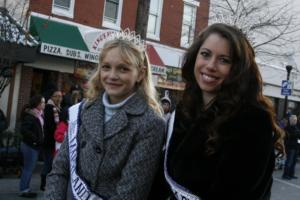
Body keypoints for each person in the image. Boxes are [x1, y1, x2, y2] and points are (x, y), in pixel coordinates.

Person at [153, 23, 285, 200]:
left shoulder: (252, 121)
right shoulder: (185, 110)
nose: (210, 66)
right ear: (195, 56)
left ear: (238, 69)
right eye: (205, 54)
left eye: (224, 60)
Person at [45, 30, 166, 199]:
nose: (112, 76)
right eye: (106, 67)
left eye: (123, 69)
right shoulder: (83, 110)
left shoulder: (150, 123)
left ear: (140, 74)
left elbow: (130, 193)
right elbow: (59, 170)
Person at [19, 95, 45, 198]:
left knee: (29, 168)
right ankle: (24, 190)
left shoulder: (39, 114)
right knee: (28, 168)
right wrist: (36, 140)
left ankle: (26, 189)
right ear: (37, 104)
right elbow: (24, 130)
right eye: (42, 102)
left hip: (34, 146)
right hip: (30, 145)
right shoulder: (31, 115)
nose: (44, 104)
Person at [40, 89, 62, 191]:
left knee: (50, 162)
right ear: (51, 97)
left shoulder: (57, 108)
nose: (58, 98)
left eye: (60, 96)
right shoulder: (49, 108)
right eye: (56, 96)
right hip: (49, 141)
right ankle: (43, 184)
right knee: (48, 163)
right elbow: (50, 125)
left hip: (53, 140)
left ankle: (46, 183)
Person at [282, 114, 300, 180]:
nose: (295, 121)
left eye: (295, 120)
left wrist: (297, 134)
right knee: (289, 161)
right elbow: (292, 135)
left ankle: (291, 174)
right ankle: (285, 175)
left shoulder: (296, 127)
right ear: (290, 120)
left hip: (296, 147)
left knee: (294, 162)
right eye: (294, 120)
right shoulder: (287, 127)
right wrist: (297, 134)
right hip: (290, 147)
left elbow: (297, 135)